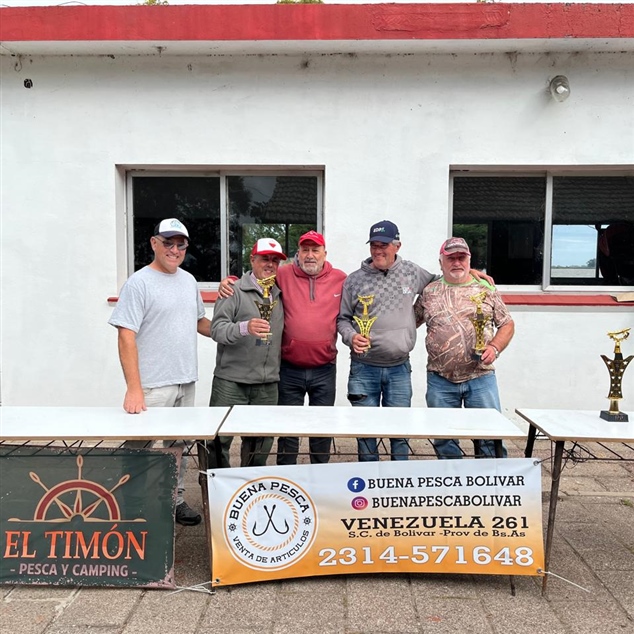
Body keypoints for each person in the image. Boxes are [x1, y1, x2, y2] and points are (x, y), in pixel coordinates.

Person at [109, 218, 212, 526]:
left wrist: (236, 330)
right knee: (140, 448)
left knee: (177, 447)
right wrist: (134, 388)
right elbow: (125, 335)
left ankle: (174, 501)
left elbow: (199, 322)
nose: (175, 250)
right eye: (168, 243)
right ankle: (132, 507)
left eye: (181, 244)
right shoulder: (139, 283)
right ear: (154, 243)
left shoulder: (188, 281)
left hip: (185, 380)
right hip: (152, 385)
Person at [218, 230, 347, 465]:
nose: (310, 255)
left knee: (322, 427)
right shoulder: (283, 274)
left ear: (325, 253)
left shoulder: (341, 279)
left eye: (315, 250)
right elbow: (255, 277)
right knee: (287, 429)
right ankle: (286, 476)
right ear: (298, 253)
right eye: (305, 250)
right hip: (289, 368)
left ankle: (320, 475)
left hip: (324, 367)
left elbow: (352, 308)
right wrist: (230, 281)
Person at [337, 220, 437, 462]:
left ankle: (397, 478)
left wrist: (472, 273)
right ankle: (367, 479)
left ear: (397, 246)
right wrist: (351, 337)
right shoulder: (354, 280)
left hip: (399, 368)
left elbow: (442, 283)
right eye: (373, 245)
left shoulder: (411, 272)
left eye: (383, 245)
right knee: (366, 433)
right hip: (363, 368)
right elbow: (343, 319)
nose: (377, 250)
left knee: (400, 432)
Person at [413, 237, 515, 459]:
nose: (457, 263)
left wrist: (495, 347)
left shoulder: (485, 289)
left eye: (462, 257)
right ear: (441, 262)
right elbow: (409, 322)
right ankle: (450, 475)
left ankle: (493, 476)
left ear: (469, 260)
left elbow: (507, 324)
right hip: (440, 379)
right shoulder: (429, 292)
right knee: (444, 438)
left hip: (480, 378)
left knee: (490, 436)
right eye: (451, 258)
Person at [209, 238, 286, 468]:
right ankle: (216, 485)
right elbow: (217, 330)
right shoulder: (232, 290)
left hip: (267, 383)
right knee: (218, 439)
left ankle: (250, 484)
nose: (270, 264)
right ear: (252, 260)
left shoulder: (280, 292)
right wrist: (245, 327)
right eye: (264, 258)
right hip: (231, 381)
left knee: (260, 442)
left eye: (275, 260)